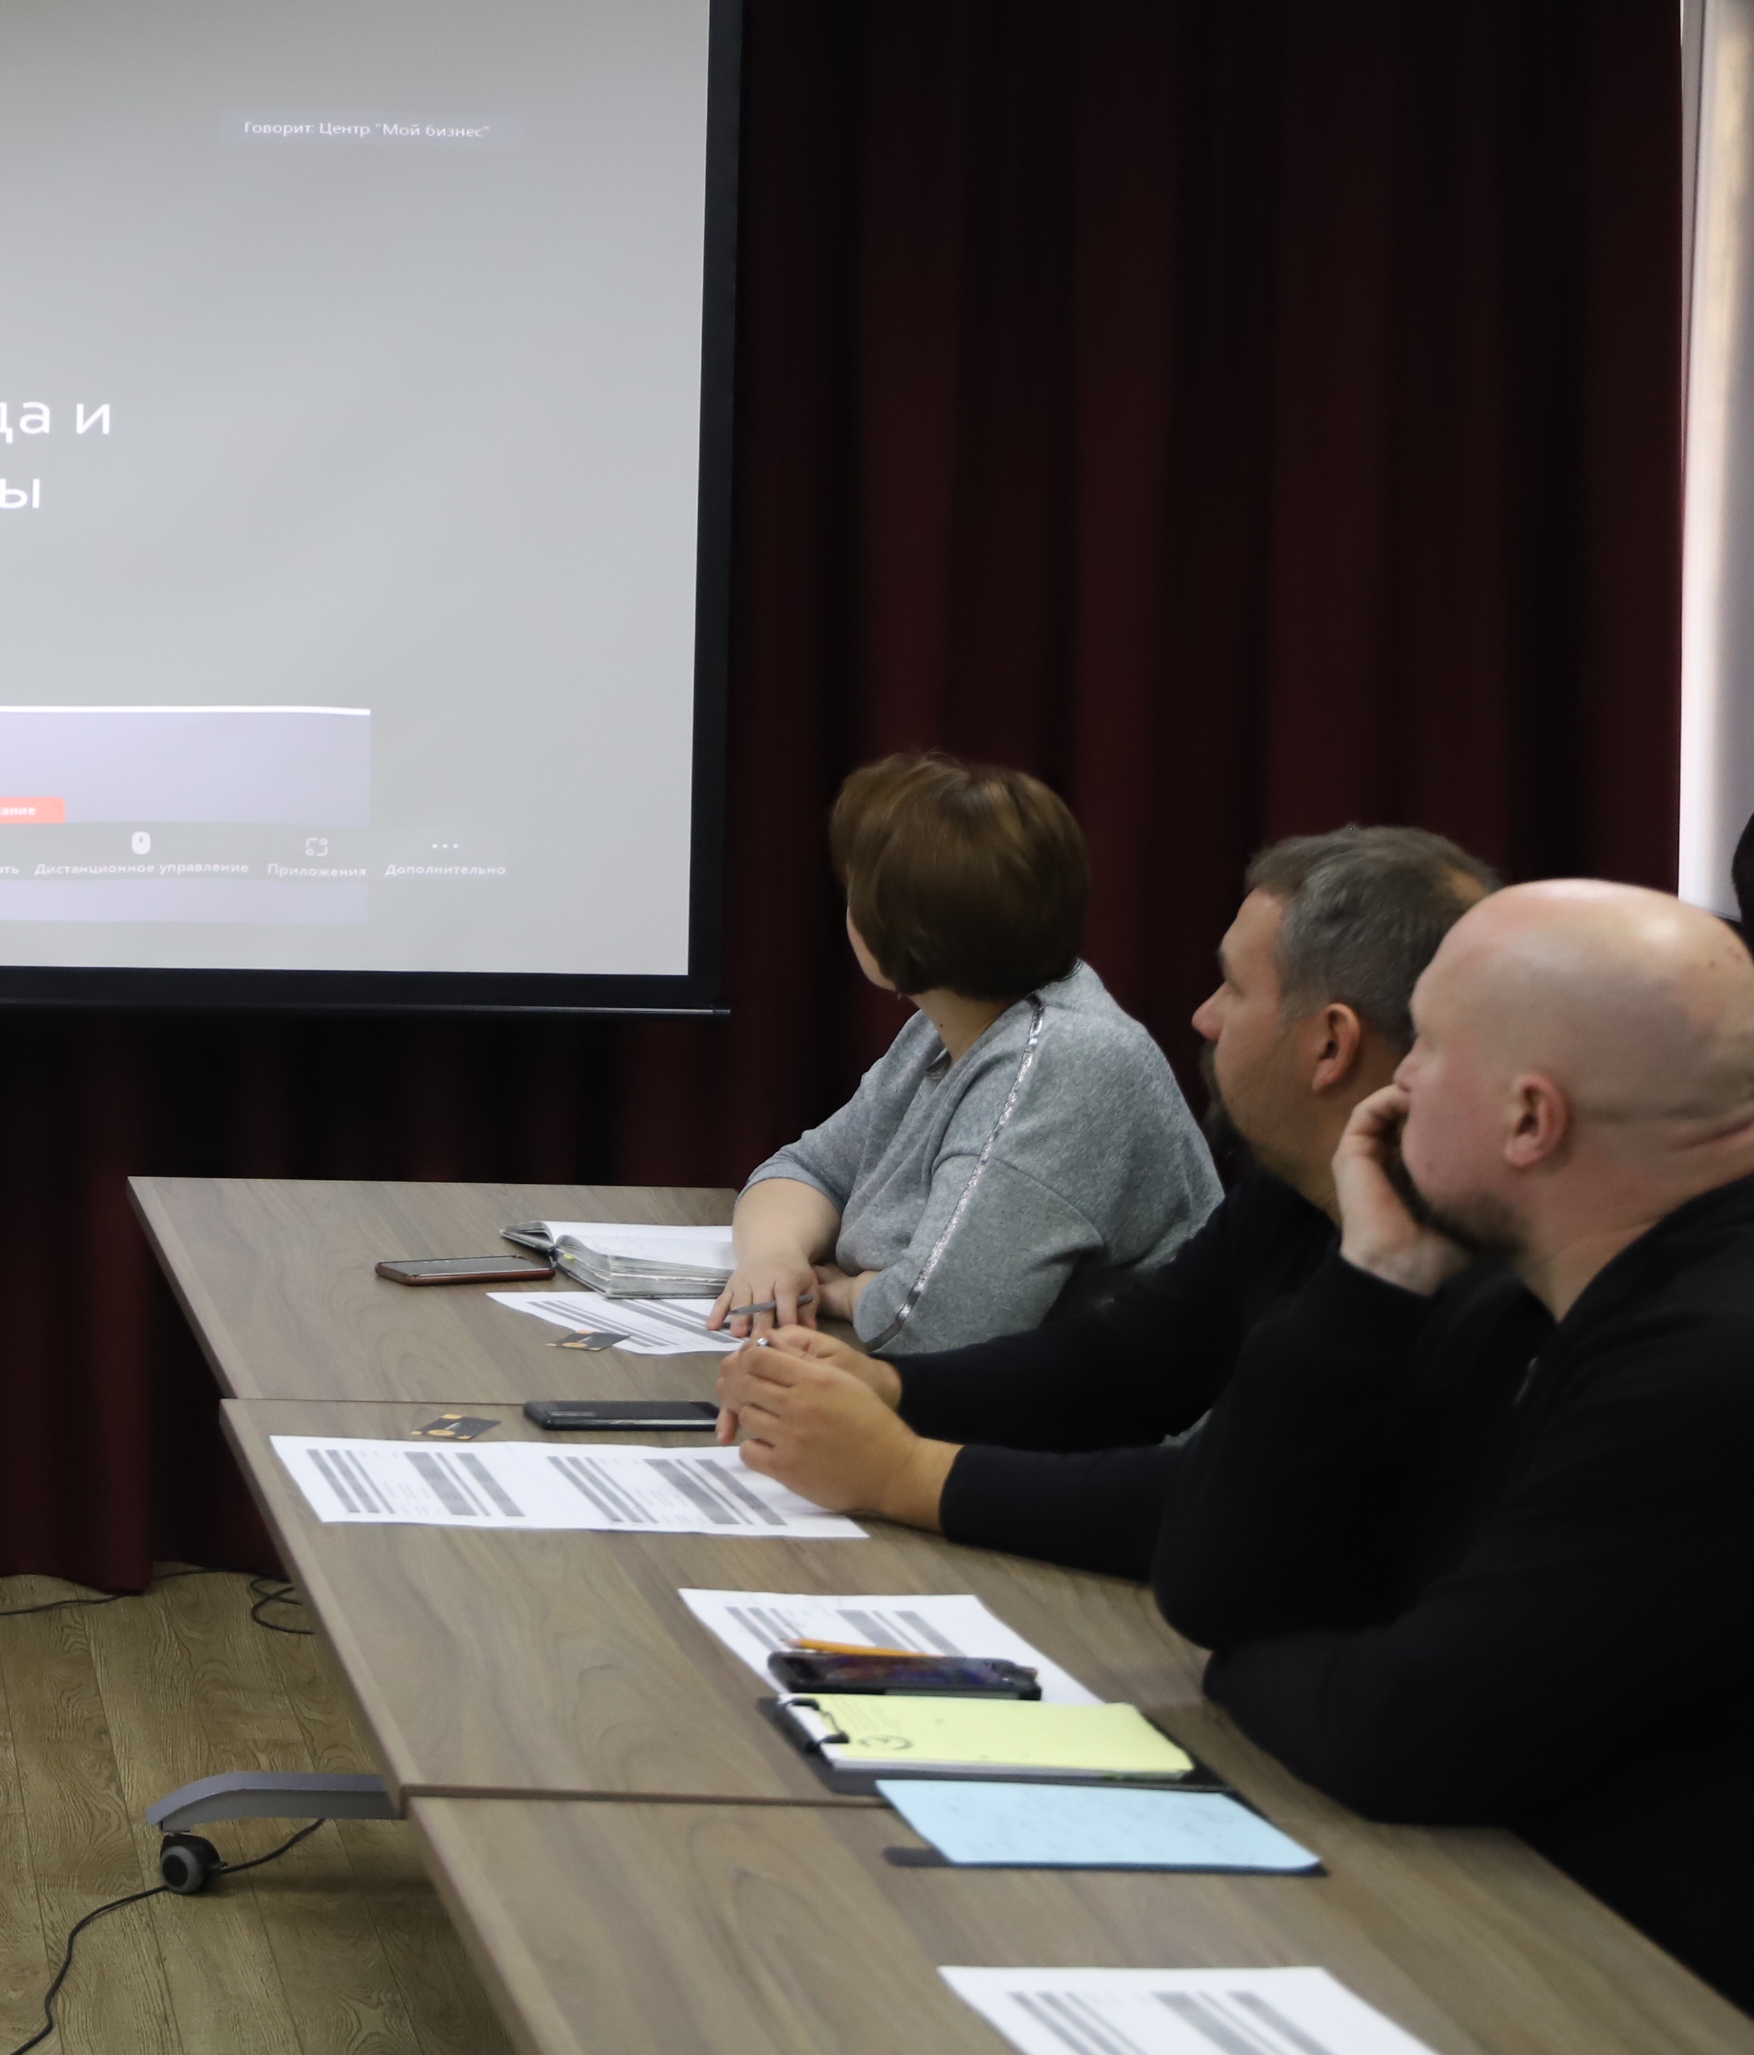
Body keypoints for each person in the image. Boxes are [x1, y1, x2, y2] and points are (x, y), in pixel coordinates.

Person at [1148, 880, 1754, 2010]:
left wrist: (1244, 1661)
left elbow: (1406, 1728)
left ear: (1529, 1121)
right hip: (1508, 1920)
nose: (1398, 1082)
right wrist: (1371, 1278)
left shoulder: (1708, 1366)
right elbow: (1214, 1580)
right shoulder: (1506, 1290)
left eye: (1427, 1044)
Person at [720, 825, 1495, 1571]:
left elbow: (1228, 1509)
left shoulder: (1456, 1278)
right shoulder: (1291, 1201)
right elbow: (1122, 1362)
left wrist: (903, 1474)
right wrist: (891, 1387)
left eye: (1233, 986)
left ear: (1331, 1044)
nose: (1204, 1017)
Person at [713, 751, 1215, 1355]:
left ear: (887, 927)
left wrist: (845, 1295)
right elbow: (807, 1170)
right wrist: (775, 1258)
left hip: (1099, 1412)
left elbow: (932, 1325)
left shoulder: (1066, 1060)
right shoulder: (945, 1025)